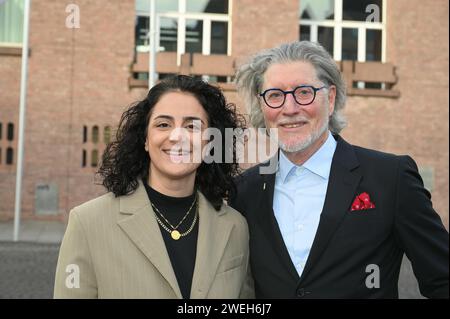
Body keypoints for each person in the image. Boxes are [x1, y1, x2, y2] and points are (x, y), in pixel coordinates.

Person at [231, 41, 449, 298]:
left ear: (331, 98)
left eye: (304, 92)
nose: (289, 109)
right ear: (262, 106)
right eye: (275, 95)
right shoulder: (245, 191)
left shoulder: (391, 178)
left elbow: (442, 280)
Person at [54, 75, 254, 299]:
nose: (177, 136)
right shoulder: (87, 223)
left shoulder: (236, 227)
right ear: (146, 140)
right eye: (163, 124)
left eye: (192, 126)